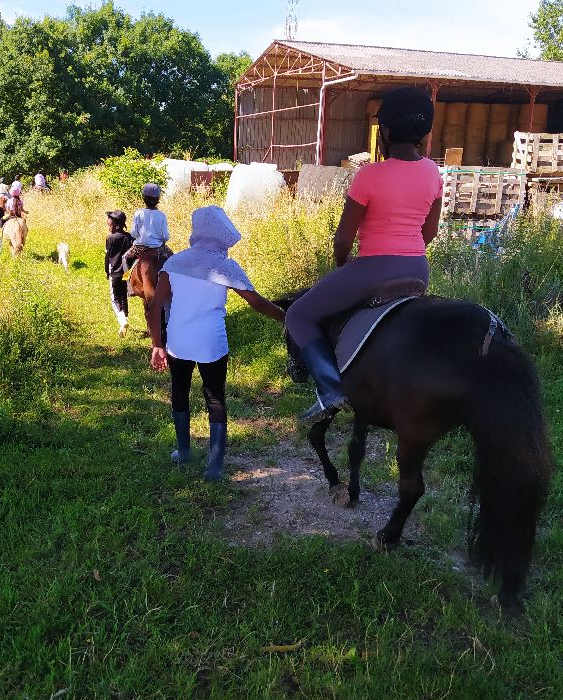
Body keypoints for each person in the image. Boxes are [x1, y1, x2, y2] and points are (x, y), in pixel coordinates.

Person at [285, 86, 443, 423]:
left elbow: (343, 239)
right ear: (424, 131)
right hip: (417, 269)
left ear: (384, 131)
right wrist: (407, 253)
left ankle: (330, 389)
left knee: (297, 314)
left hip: (371, 269)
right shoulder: (433, 173)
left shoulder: (369, 174)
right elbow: (429, 233)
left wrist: (344, 267)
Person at [148, 205, 285, 481]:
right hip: (211, 344)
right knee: (215, 398)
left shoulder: (173, 264)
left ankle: (183, 452)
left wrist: (157, 344)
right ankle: (214, 466)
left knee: (179, 391)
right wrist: (288, 318)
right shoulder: (224, 266)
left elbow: (155, 308)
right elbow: (257, 302)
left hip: (178, 343)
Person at [123, 183, 171, 269]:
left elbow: (134, 234)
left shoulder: (138, 213)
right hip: (157, 248)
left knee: (125, 259)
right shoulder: (162, 215)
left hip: (139, 248)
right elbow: (165, 236)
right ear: (158, 199)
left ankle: (128, 282)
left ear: (144, 199)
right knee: (173, 260)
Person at [105, 209, 133, 337]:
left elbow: (107, 257)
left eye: (109, 222)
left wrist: (107, 271)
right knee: (123, 297)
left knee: (114, 298)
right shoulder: (129, 238)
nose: (107, 223)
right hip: (126, 273)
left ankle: (122, 321)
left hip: (114, 273)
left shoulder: (110, 238)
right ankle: (125, 320)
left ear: (115, 224)